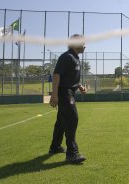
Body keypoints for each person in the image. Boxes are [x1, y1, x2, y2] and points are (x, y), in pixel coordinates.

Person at [49, 34, 87, 164]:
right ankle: (72, 153)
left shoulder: (75, 58)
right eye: (83, 43)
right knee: (72, 118)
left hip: (70, 91)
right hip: (64, 92)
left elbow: (71, 78)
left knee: (61, 121)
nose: (85, 45)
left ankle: (55, 147)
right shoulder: (66, 57)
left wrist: (80, 86)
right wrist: (54, 95)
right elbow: (56, 75)